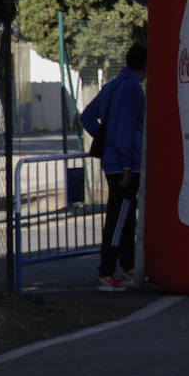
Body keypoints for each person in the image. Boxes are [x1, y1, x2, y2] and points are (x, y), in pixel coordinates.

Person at [80, 44, 147, 292]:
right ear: (145, 65)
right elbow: (127, 131)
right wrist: (128, 163)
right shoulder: (133, 89)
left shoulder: (113, 85)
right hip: (125, 166)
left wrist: (105, 141)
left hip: (113, 162)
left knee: (125, 217)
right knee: (120, 219)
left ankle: (128, 269)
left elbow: (86, 116)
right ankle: (107, 274)